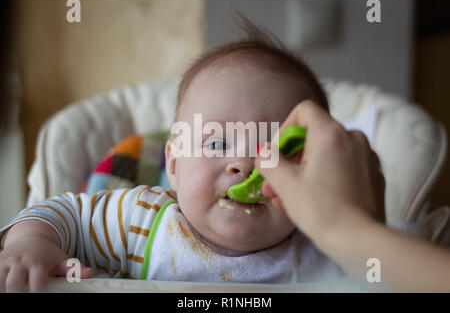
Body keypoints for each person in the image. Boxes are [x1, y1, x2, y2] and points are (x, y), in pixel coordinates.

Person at [0, 21, 345, 292]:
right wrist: (32, 242)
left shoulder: (325, 244)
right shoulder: (144, 222)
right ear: (175, 165)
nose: (246, 164)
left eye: (273, 150)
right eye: (218, 145)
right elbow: (67, 213)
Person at [255, 100, 450, 292]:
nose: (242, 163)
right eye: (222, 145)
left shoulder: (354, 258)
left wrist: (356, 229)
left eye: (281, 147)